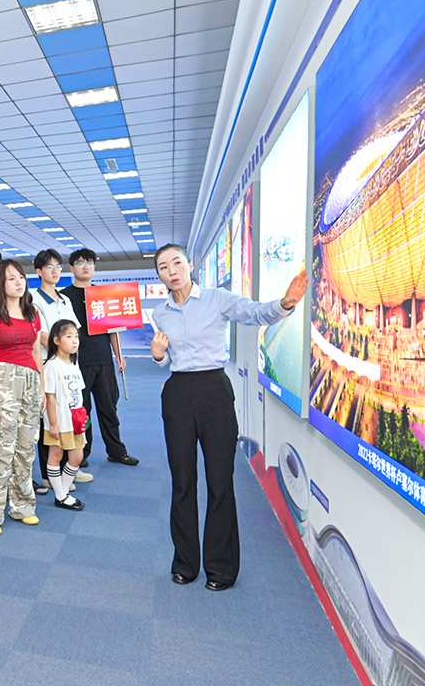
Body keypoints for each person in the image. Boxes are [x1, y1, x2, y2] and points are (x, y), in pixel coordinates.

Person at [152, 243, 307, 591]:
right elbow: (165, 360)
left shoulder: (216, 299)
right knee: (182, 481)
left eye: (177, 263)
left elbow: (255, 313)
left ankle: (221, 568)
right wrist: (158, 356)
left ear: (190, 265)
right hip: (177, 394)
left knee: (220, 480)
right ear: (159, 275)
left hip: (214, 391)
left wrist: (285, 303)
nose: (172, 271)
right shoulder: (160, 313)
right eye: (163, 267)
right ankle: (185, 563)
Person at [0, 259, 43, 536]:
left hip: (30, 382)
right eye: (11, 278)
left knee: (26, 448)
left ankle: (22, 506)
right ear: (0, 284)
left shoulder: (32, 313)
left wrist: (42, 390)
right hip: (2, 383)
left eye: (21, 277)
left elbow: (37, 353)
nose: (19, 283)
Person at [61, 248, 139, 467]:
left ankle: (116, 451)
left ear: (94, 267)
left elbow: (114, 329)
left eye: (89, 262)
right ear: (72, 268)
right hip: (77, 363)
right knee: (82, 410)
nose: (85, 267)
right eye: (80, 263)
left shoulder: (104, 294)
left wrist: (119, 356)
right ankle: (81, 453)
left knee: (109, 408)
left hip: (104, 360)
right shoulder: (64, 297)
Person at [31, 249, 88, 494]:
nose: (55, 271)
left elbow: (74, 330)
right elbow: (43, 336)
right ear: (39, 271)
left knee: (69, 414)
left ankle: (68, 468)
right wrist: (60, 353)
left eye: (58, 267)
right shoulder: (34, 300)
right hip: (49, 365)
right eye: (49, 267)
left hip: (68, 365)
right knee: (50, 418)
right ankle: (48, 474)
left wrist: (69, 353)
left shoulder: (64, 299)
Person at [42, 320, 87, 511]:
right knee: (56, 455)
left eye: (76, 336)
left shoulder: (74, 363)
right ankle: (61, 495)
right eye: (69, 336)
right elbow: (50, 397)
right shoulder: (52, 365)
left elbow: (79, 393)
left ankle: (63, 493)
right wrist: (53, 423)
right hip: (59, 420)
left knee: (77, 456)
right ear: (56, 340)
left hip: (75, 420)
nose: (74, 341)